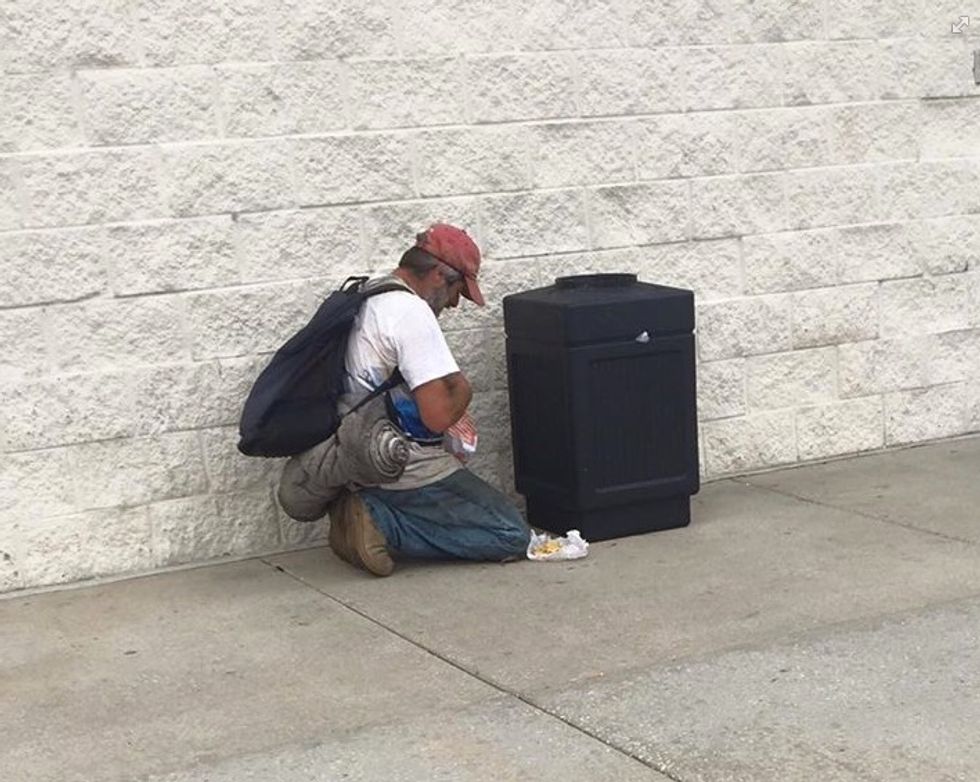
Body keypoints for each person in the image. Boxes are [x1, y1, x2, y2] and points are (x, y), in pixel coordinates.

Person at [322, 224, 531, 577]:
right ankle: (379, 522)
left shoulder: (369, 293)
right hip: (401, 463)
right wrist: (464, 388)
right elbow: (436, 417)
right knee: (511, 534)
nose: (453, 304)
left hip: (358, 450)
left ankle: (367, 510)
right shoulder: (411, 313)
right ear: (438, 274)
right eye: (457, 291)